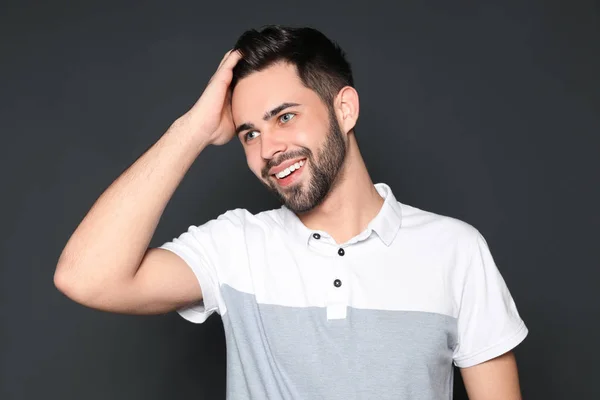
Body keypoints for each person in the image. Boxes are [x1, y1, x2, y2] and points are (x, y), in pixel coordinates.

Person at [54, 25, 528, 399]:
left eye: (284, 117)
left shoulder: (455, 250)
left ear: (345, 110)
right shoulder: (236, 247)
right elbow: (86, 276)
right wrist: (193, 129)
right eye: (249, 133)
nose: (269, 149)